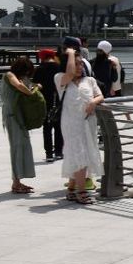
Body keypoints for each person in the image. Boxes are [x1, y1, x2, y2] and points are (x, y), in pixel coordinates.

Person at [56, 47, 104, 205]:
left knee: (80, 154)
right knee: (79, 154)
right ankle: (81, 191)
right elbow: (69, 74)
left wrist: (92, 102)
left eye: (81, 64)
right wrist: (70, 53)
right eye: (76, 64)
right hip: (71, 123)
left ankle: (71, 189)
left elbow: (100, 96)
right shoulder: (61, 78)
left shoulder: (89, 80)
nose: (79, 67)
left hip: (88, 122)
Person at [1, 57, 39, 194]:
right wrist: (31, 92)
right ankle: (16, 183)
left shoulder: (20, 78)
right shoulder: (9, 75)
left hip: (18, 116)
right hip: (12, 117)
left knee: (23, 146)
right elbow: (18, 86)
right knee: (17, 147)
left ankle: (18, 181)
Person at [32, 49, 64, 161]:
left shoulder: (40, 69)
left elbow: (35, 84)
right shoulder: (59, 67)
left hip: (45, 101)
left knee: (47, 128)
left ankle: (49, 153)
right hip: (58, 100)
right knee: (59, 127)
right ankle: (59, 152)